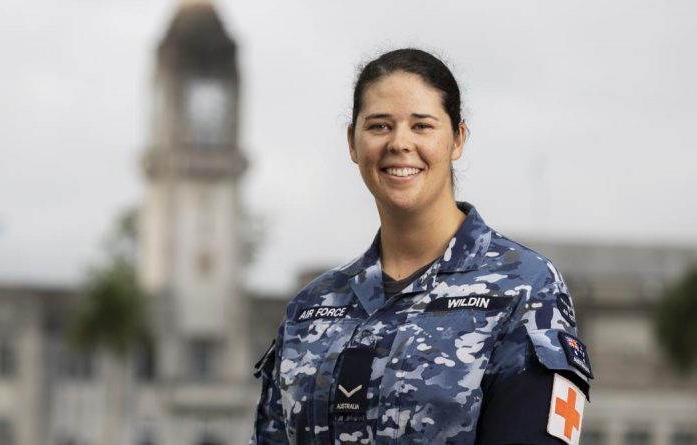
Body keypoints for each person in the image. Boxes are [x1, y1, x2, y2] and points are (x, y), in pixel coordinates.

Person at [250, 48, 593, 445]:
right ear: (352, 142)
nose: (399, 143)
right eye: (379, 126)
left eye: (422, 126)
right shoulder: (309, 309)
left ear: (457, 139)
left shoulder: (523, 288)